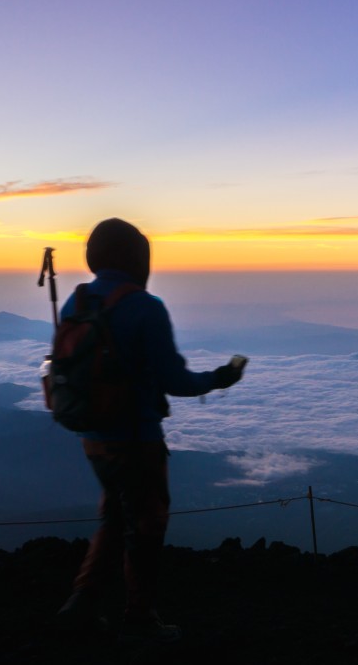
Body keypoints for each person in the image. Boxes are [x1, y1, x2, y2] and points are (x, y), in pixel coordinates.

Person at [56, 218, 244, 641]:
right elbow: (174, 381)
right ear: (137, 258)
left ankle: (81, 601)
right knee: (146, 527)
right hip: (137, 441)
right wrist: (219, 378)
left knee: (113, 517)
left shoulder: (77, 302)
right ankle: (140, 619)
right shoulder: (145, 307)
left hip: (93, 438)